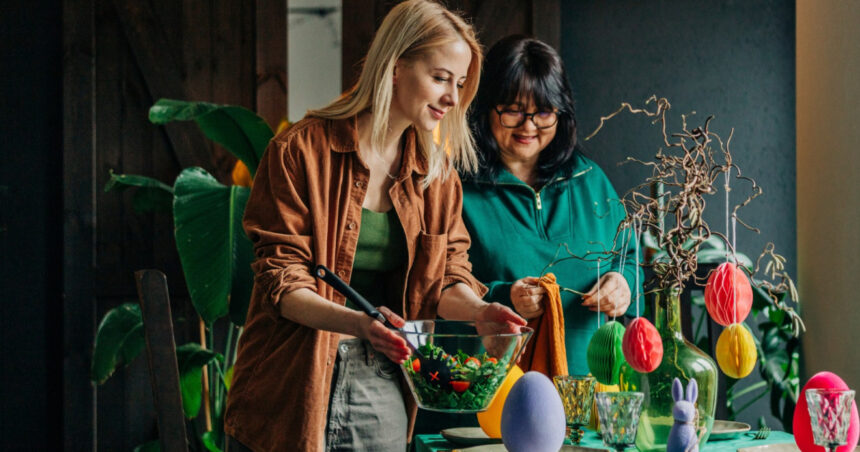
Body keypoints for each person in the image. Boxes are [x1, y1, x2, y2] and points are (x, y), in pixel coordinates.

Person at [223, 2, 526, 451]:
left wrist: (479, 311)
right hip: (289, 380)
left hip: (383, 373)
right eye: (441, 78)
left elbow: (446, 275)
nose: (452, 97)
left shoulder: (436, 176)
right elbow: (282, 282)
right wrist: (360, 322)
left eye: (460, 85)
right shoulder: (298, 152)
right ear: (396, 66)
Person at [461, 35, 643, 377]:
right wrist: (503, 297)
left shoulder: (590, 180)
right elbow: (434, 289)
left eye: (543, 111)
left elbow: (630, 258)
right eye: (513, 110)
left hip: (593, 393)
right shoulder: (457, 190)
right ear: (486, 107)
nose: (529, 125)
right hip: (491, 398)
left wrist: (624, 284)